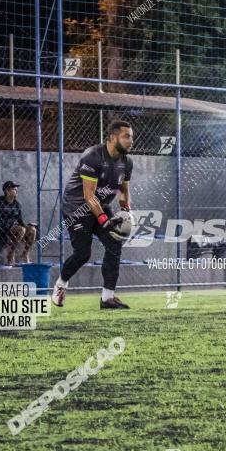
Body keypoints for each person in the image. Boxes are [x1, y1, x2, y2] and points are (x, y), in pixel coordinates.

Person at [51, 120, 134, 309]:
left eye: (132, 137)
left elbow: (123, 190)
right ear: (113, 138)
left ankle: (107, 298)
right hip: (76, 207)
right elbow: (89, 196)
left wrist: (126, 211)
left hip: (100, 205)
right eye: (126, 136)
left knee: (114, 244)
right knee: (82, 253)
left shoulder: (127, 162)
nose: (131, 141)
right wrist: (104, 220)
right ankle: (60, 285)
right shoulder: (93, 156)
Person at [0, 181, 37, 266]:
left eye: (16, 188)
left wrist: (28, 225)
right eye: (14, 188)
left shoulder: (17, 205)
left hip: (15, 229)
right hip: (3, 229)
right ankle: (10, 254)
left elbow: (20, 220)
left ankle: (25, 254)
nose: (16, 190)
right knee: (21, 229)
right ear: (7, 191)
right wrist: (14, 226)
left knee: (32, 230)